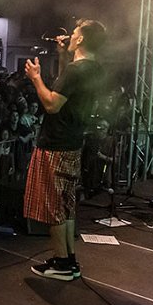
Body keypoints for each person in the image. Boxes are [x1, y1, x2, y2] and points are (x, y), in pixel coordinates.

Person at [23, 19, 107, 281]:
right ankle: (69, 260)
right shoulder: (93, 69)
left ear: (81, 39)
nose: (70, 36)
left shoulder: (76, 70)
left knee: (53, 206)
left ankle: (60, 263)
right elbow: (65, 87)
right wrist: (61, 56)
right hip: (72, 142)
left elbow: (52, 104)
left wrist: (36, 79)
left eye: (74, 33)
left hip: (56, 145)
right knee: (67, 204)